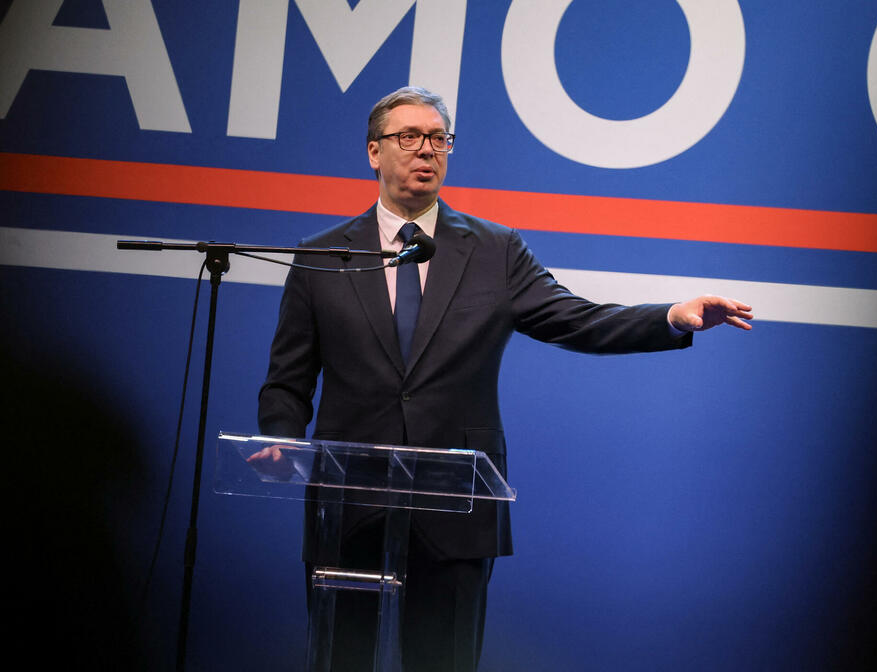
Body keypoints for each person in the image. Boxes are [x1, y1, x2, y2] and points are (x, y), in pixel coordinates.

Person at [257, 86, 752, 671]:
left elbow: (577, 319)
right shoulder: (323, 256)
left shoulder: (495, 250)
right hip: (350, 505)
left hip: (457, 506)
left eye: (438, 139)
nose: (427, 150)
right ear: (373, 151)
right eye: (409, 137)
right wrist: (280, 437)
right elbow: (288, 377)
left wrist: (670, 316)